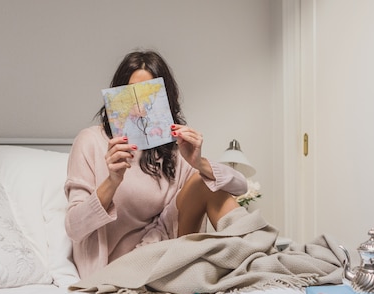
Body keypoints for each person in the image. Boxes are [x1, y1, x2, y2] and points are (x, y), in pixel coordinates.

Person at [65, 50, 248, 279]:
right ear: (116, 97)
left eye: (149, 96)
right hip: (118, 268)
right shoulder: (92, 141)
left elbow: (241, 186)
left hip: (166, 255)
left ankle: (252, 262)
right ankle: (251, 260)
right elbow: (74, 228)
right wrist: (112, 181)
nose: (140, 108)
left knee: (204, 181)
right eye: (130, 95)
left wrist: (198, 162)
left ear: (165, 100)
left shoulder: (173, 148)